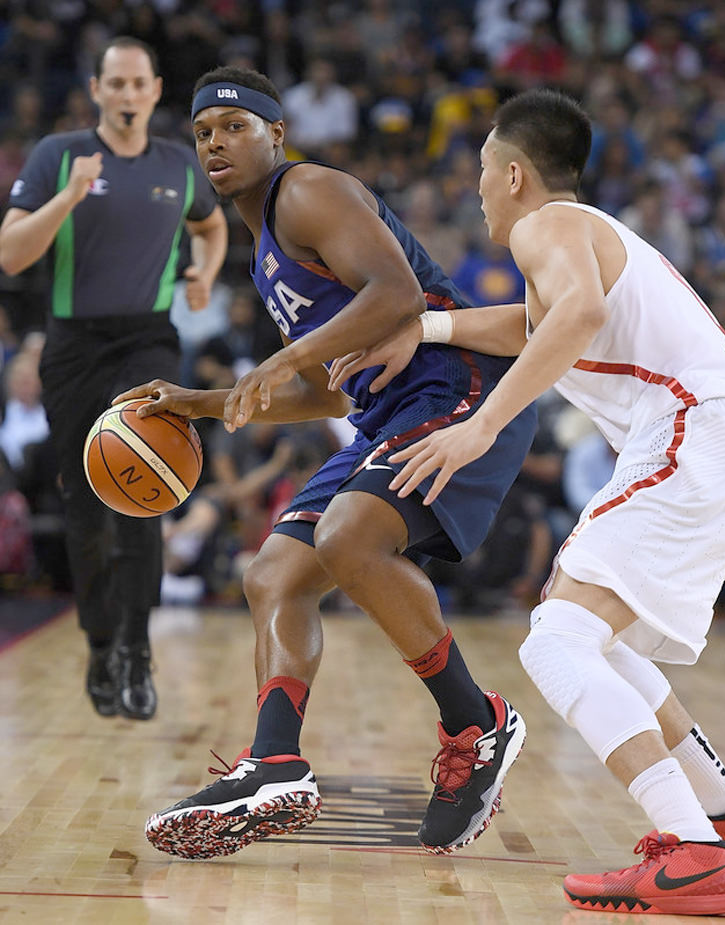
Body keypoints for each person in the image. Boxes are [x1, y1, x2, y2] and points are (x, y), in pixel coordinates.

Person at [331, 89, 725, 916]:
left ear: (514, 174)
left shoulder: (548, 225)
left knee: (554, 644)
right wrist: (431, 331)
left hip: (698, 436)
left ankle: (691, 850)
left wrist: (480, 429)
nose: (476, 187)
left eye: (481, 169)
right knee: (597, 638)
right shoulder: (582, 238)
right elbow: (541, 320)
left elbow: (573, 315)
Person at [115, 65, 537, 860]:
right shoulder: (263, 255)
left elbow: (399, 293)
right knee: (272, 572)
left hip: (460, 384)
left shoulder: (307, 191)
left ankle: (476, 723)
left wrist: (283, 359)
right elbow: (326, 393)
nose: (215, 144)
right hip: (385, 414)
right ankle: (274, 761)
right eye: (203, 133)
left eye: (234, 127)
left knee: (349, 538)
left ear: (276, 133)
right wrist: (202, 401)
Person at [0, 36, 227, 721]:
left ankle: (137, 649)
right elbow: (11, 256)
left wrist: (205, 273)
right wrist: (67, 197)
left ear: (156, 91)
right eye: (115, 84)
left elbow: (211, 228)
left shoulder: (179, 165)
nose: (127, 95)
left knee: (147, 494)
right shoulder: (57, 157)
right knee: (86, 504)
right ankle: (100, 643)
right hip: (73, 345)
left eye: (138, 84)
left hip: (147, 341)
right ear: (96, 90)